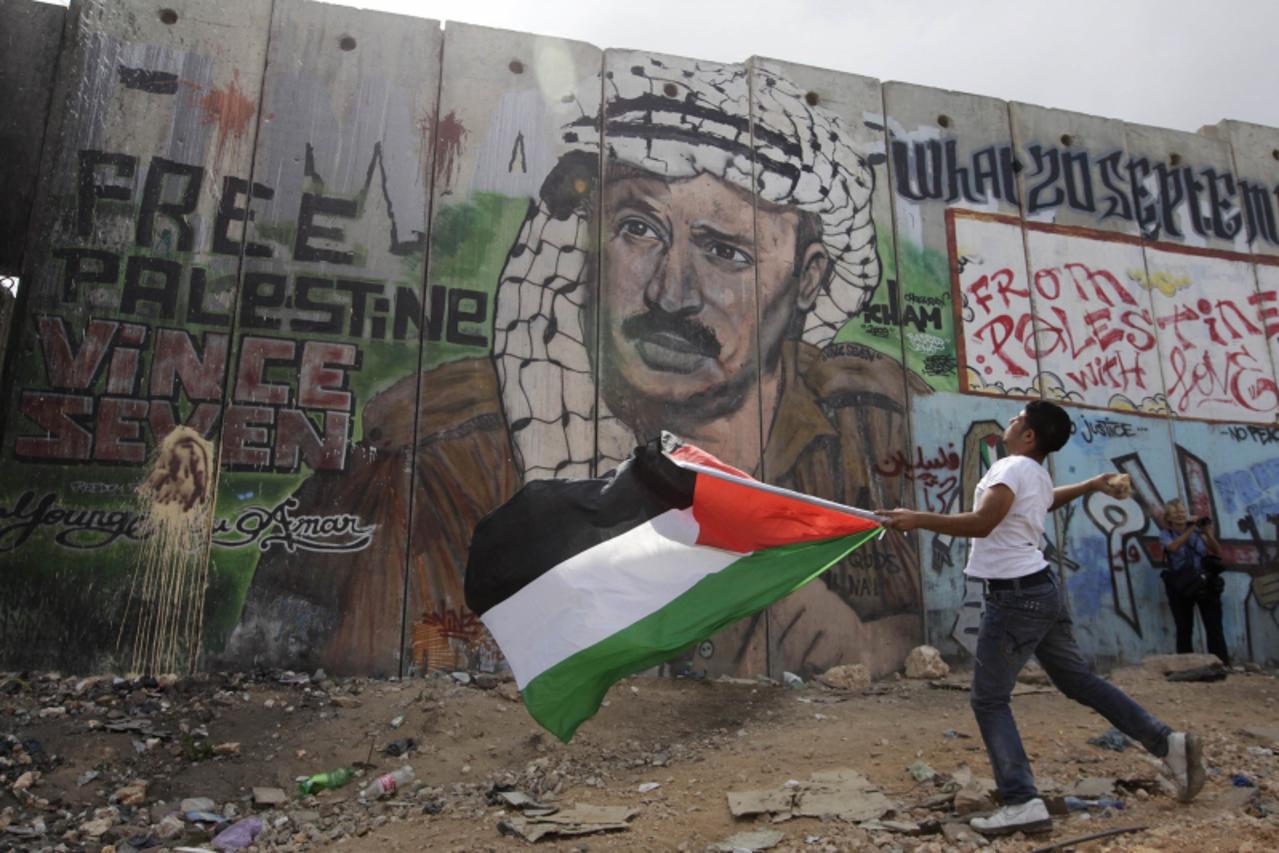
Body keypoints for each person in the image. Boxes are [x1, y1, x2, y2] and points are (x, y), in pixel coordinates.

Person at [224, 57, 927, 677]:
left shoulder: (882, 423)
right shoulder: (434, 462)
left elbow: (967, 605)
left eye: (725, 252)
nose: (669, 294)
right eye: (638, 230)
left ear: (806, 280)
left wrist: (882, 642)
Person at [881, 400, 1206, 837]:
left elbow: (982, 523)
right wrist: (1091, 483)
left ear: (1029, 435)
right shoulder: (1032, 472)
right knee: (1079, 682)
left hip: (1014, 598)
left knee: (989, 700)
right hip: (1040, 590)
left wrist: (916, 519)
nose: (1010, 423)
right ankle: (1169, 743)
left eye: (1017, 420)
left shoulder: (1010, 468)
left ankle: (1021, 802)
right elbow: (1045, 502)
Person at [1158, 498, 1229, 665]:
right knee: (1184, 627)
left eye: (1182, 512)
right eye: (1176, 513)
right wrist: (1190, 530)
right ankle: (1186, 665)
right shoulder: (1165, 535)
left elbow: (1217, 550)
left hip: (1204, 582)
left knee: (1214, 627)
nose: (1180, 515)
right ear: (1169, 518)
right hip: (1180, 586)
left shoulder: (1199, 533)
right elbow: (1173, 548)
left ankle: (1220, 663)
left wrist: (1207, 532)